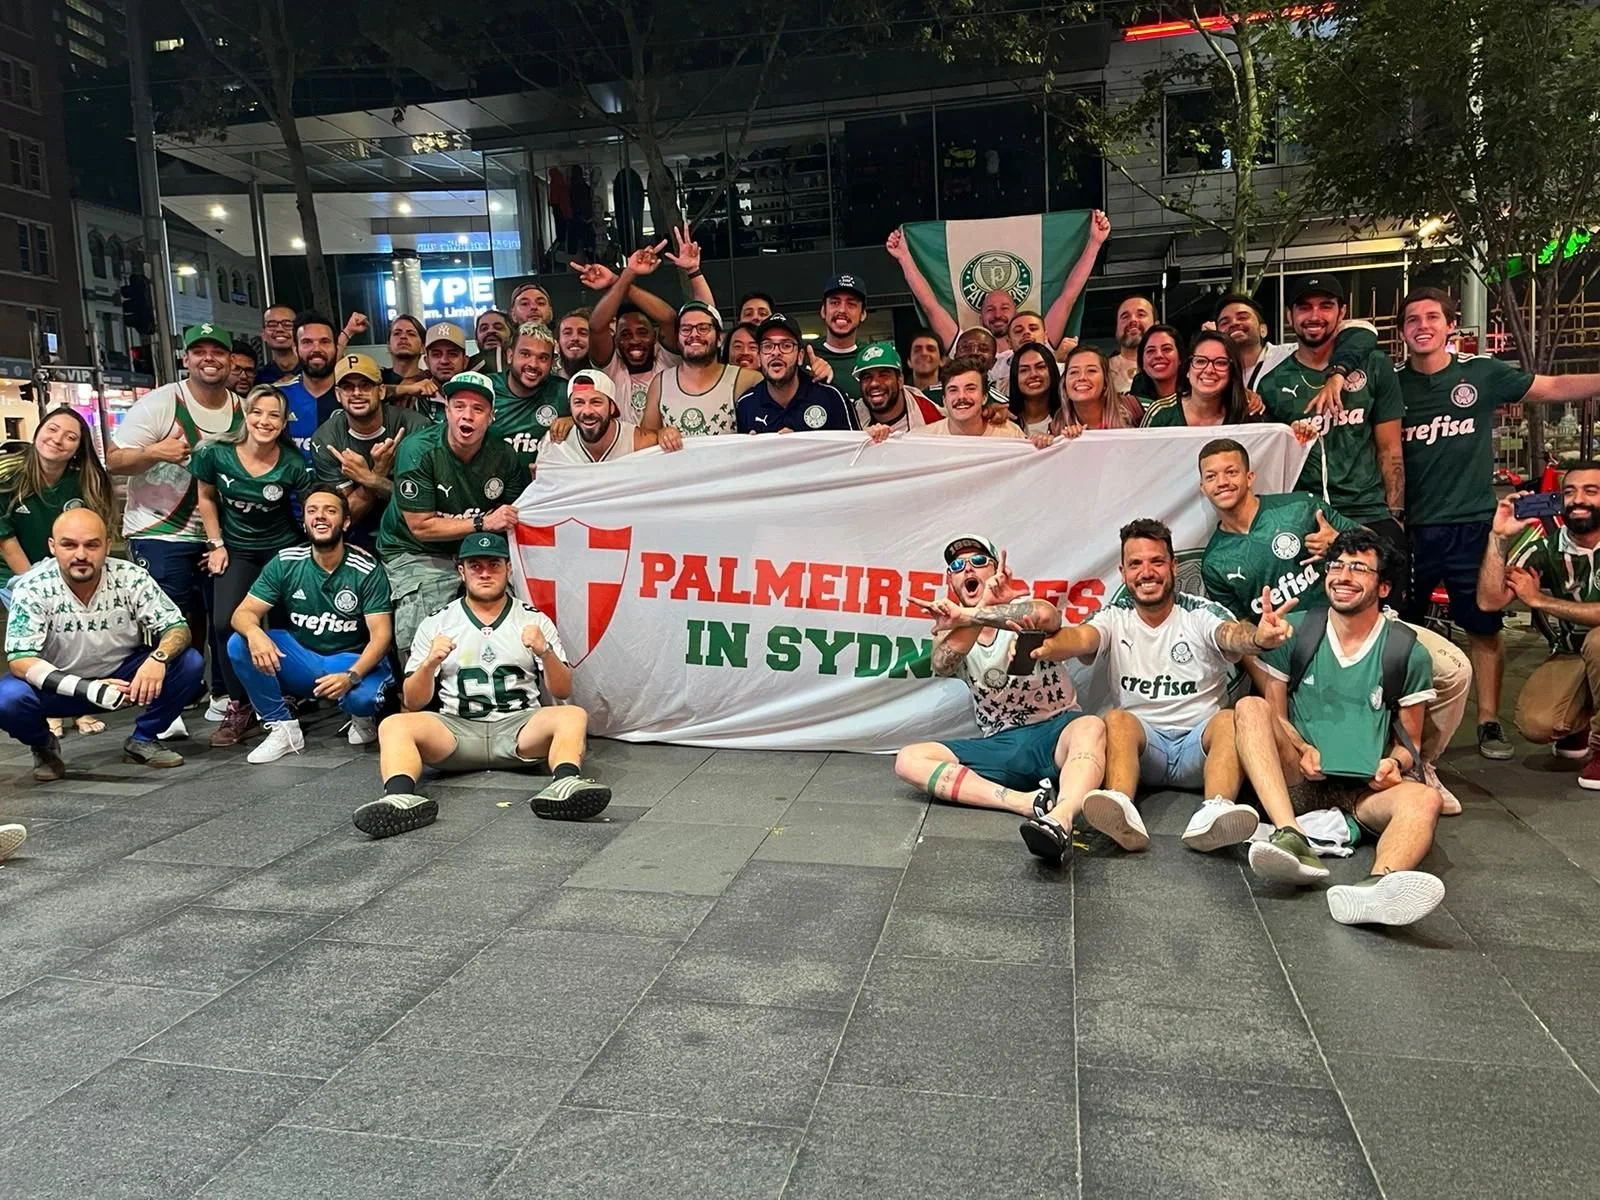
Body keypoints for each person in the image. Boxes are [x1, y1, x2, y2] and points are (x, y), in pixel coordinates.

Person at [1197, 438, 1470, 812]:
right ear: (1202, 486)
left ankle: (1416, 763)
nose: (1222, 482)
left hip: (1360, 622)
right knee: (1262, 717)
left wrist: (1338, 542)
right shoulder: (1215, 559)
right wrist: (1273, 682)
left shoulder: (1299, 507)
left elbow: (1375, 545)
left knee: (1455, 671)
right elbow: (1241, 635)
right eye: (1211, 476)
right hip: (1293, 652)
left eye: (1231, 472)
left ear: (1250, 476)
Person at [1397, 287, 1600, 760]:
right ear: (1402, 331)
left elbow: (1550, 388)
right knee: (1401, 629)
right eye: (1412, 319)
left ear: (1451, 326)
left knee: (1483, 625)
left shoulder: (1481, 375)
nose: (1422, 325)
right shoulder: (1392, 386)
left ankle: (1488, 721)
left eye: (1432, 317)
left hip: (1473, 523)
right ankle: (1401, 720)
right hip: (1411, 527)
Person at [1033, 518, 1288, 856]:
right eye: (1136, 564)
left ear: (1173, 566)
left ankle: (1214, 810)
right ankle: (1121, 808)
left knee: (1228, 720)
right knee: (1117, 719)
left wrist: (1258, 637)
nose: (1146, 572)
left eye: (1156, 561)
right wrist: (1046, 646)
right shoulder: (1115, 616)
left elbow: (1231, 634)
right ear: (1123, 572)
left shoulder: (1199, 612)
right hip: (1144, 750)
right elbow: (1080, 637)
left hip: (1199, 749)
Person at [1234, 528, 1446, 927]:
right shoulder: (1295, 630)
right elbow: (1275, 718)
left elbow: (1411, 742)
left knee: (1425, 801)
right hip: (1300, 779)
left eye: (1358, 568)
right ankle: (1289, 835)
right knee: (1248, 707)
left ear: (1383, 586)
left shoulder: (1406, 651)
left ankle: (1378, 887)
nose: (1343, 576)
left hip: (1365, 791)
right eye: (1336, 565)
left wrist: (1395, 765)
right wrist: (1301, 747)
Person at [352, 531, 611, 839]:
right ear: (461, 571)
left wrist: (545, 652)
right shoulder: (438, 622)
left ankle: (565, 784)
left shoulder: (533, 620)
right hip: (457, 731)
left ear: (508, 569)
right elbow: (414, 700)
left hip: (519, 732)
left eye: (494, 564)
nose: (485, 573)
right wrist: (430, 663)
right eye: (475, 565)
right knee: (395, 725)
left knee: (572, 715)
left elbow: (563, 689)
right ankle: (400, 798)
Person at [892, 536, 1107, 862]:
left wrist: (982, 611)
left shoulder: (1019, 609)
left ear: (995, 569)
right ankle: (1026, 802)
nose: (968, 569)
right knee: (908, 760)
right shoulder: (950, 630)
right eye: (957, 566)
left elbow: (1049, 616)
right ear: (951, 581)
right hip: (1003, 746)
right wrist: (972, 617)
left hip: (1058, 730)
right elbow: (941, 663)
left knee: (1091, 726)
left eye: (979, 561)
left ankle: (1060, 818)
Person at [106, 322, 243, 728]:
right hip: (160, 531)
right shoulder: (161, 403)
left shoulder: (240, 409)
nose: (209, 358)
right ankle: (169, 703)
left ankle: (222, 693)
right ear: (187, 358)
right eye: (199, 351)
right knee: (173, 620)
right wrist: (155, 452)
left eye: (217, 351)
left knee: (221, 616)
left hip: (216, 533)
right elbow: (115, 459)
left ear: (230, 359)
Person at [0, 508, 202, 777]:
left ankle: (144, 738)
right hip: (60, 687)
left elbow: (177, 627)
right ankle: (43, 745)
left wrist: (158, 659)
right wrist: (87, 688)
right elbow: (20, 660)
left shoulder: (130, 576)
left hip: (124, 680)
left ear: (107, 545)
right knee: (7, 698)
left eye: (92, 545)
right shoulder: (32, 586)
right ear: (52, 546)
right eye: (69, 545)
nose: (81, 555)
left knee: (189, 663)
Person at [229, 487, 395, 762]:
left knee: (362, 700)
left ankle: (361, 716)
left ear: (345, 522)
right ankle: (284, 728)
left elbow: (381, 636)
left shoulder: (366, 569)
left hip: (350, 661)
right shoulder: (285, 562)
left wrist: (350, 676)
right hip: (304, 659)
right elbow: (242, 613)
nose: (320, 517)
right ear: (305, 521)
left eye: (330, 511)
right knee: (240, 642)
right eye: (312, 511)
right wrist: (254, 631)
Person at [191, 384, 315, 746]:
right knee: (223, 621)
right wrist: (216, 544)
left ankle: (284, 697)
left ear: (283, 422)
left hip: (281, 548)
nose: (265, 420)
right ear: (246, 415)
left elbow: (308, 508)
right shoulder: (215, 452)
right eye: (257, 412)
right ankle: (239, 704)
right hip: (238, 549)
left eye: (273, 414)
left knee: (283, 625)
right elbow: (206, 496)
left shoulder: (292, 462)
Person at [374, 371, 522, 654]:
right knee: (425, 622)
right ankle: (417, 694)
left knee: (510, 609)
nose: (467, 416)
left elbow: (513, 515)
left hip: (474, 547)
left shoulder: (503, 453)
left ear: (491, 416)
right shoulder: (418, 449)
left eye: (478, 409)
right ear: (446, 411)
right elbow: (421, 526)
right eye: (459, 406)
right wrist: (482, 522)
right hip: (414, 549)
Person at [1258, 277, 1405, 556]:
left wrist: (1395, 513)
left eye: (1325, 306)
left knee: (1384, 598)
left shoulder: (1373, 366)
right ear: (1290, 315)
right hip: (1310, 517)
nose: (1314, 316)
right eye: (1304, 307)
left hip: (1370, 512)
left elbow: (1390, 449)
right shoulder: (1272, 384)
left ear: (1342, 313)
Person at [0, 408, 117, 738]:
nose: (58, 440)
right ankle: (50, 713)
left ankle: (77, 708)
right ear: (37, 433)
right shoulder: (8, 475)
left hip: (68, 567)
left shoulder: (85, 480)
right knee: (41, 640)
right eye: (52, 430)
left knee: (71, 637)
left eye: (70, 436)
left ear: (79, 447)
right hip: (17, 571)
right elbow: (4, 537)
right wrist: (33, 584)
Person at [1480, 467, 1600, 782]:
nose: (1578, 500)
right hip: (1574, 652)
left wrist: (1541, 601)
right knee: (1538, 723)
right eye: (1570, 492)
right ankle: (1582, 720)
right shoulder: (1547, 541)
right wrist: (1499, 538)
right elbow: (1489, 601)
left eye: (1591, 491)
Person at [884, 211, 1110, 366]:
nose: (998, 314)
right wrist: (904, 257)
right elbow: (930, 305)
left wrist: (1094, 243)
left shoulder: (1039, 341)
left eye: (1004, 307)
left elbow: (1069, 295)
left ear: (1016, 313)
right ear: (980, 318)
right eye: (990, 309)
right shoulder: (965, 347)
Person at [581, 226, 712, 422]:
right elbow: (596, 326)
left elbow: (668, 318)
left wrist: (620, 279)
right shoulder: (612, 369)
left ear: (655, 337)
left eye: (642, 332)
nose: (634, 340)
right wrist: (628, 274)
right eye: (625, 334)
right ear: (615, 341)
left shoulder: (667, 362)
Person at [732, 313, 853, 435]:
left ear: (800, 356)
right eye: (768, 346)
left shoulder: (831, 396)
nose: (776, 352)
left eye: (786, 346)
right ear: (759, 356)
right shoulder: (746, 405)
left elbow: (856, 449)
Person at [539, 370, 682, 464]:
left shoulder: (639, 442)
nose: (587, 411)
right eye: (579, 403)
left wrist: (665, 435)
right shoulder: (554, 443)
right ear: (570, 408)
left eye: (596, 402)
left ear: (612, 407)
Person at [490, 321, 568, 471]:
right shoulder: (487, 388)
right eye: (525, 354)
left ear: (552, 363)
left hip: (545, 490)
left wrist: (574, 421)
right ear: (510, 356)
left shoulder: (563, 392)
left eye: (543, 358)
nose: (533, 364)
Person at [1141, 331, 1255, 427]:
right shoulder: (1160, 413)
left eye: (1220, 363)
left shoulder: (1245, 416)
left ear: (1232, 372)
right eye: (1200, 361)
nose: (1209, 370)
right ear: (1187, 370)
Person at [913, 358, 1030, 440]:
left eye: (970, 389)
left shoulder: (1010, 435)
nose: (961, 396)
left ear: (984, 397)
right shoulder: (922, 439)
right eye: (953, 390)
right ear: (944, 400)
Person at [278, 312, 340, 458]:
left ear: (336, 347)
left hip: (341, 480)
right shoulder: (277, 395)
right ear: (295, 349)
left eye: (325, 341)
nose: (316, 349)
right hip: (291, 480)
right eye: (307, 342)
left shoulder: (354, 396)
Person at [854, 342, 942, 434]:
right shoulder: (851, 417)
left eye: (883, 375)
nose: (874, 383)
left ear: (900, 381)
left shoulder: (931, 415)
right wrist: (860, 436)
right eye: (866, 377)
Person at [1058, 346, 1141, 436]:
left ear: (1106, 381)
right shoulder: (1056, 428)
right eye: (1074, 372)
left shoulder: (1137, 409)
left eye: (1091, 370)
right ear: (1064, 384)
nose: (1082, 377)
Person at [813, 274, 870, 401]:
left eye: (851, 304)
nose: (842, 310)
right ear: (823, 311)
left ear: (863, 314)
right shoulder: (804, 355)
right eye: (834, 302)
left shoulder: (871, 358)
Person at [1007, 342, 1061, 434]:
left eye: (1040, 367)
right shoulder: (1006, 420)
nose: (1033, 374)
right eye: (1024, 370)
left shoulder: (1069, 418)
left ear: (1052, 371)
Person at [1109, 295, 1156, 398]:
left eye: (1141, 315)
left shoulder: (1173, 368)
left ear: (1156, 324)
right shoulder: (1101, 369)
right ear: (1116, 328)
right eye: (1125, 316)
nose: (1133, 320)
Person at [1132, 324, 1183, 407]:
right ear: (1142, 363)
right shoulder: (1134, 405)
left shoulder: (1197, 398)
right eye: (1151, 351)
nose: (1158, 355)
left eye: (1166, 349)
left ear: (1180, 358)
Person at [381, 315, 427, 396]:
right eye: (397, 333)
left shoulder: (429, 380)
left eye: (411, 334)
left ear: (423, 347)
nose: (403, 337)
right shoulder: (377, 378)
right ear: (388, 346)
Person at [256, 305, 300, 385]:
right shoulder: (259, 379)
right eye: (272, 325)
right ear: (263, 335)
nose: (280, 329)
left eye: (287, 325)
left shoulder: (313, 371)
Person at [556, 309, 591, 379]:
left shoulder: (603, 379)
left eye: (582, 333)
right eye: (567, 333)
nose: (575, 338)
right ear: (557, 343)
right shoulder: (548, 381)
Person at [907, 329, 943, 394]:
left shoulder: (951, 393)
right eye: (917, 350)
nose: (924, 353)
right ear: (909, 362)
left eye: (931, 349)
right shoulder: (902, 396)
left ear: (942, 360)